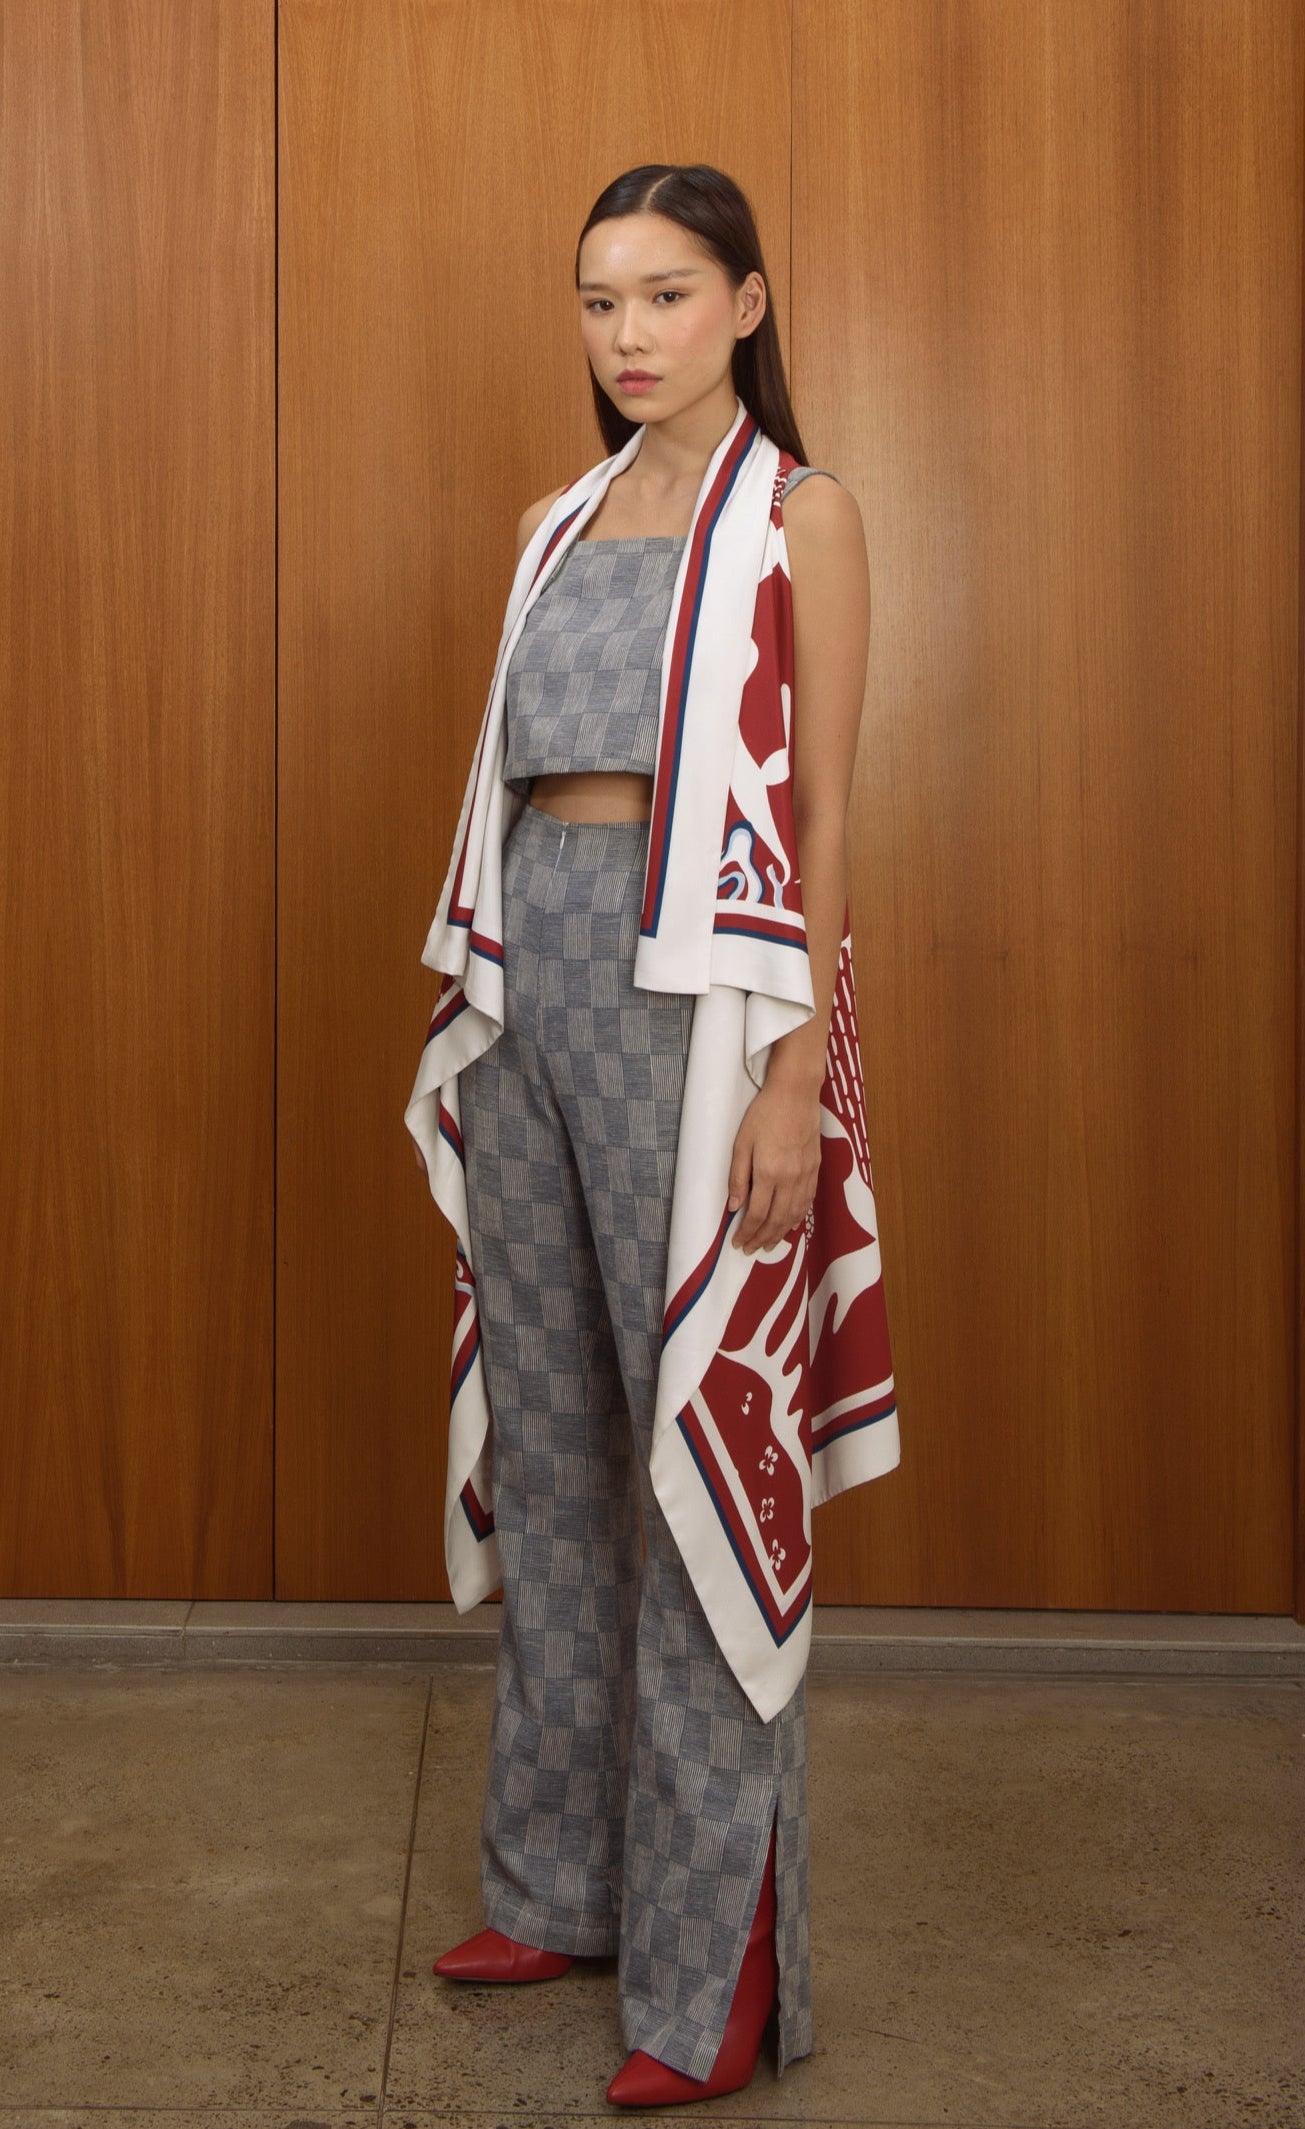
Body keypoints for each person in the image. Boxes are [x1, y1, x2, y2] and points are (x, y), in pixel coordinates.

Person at [406, 162, 899, 2109]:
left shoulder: (797, 514)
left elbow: (824, 809)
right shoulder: (557, 522)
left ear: (745, 304)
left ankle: (713, 1964)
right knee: (552, 1446)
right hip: (530, 969)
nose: (628, 332)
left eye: (668, 293)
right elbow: (510, 776)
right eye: (600, 298)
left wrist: (792, 1076)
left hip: (695, 992)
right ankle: (555, 1883)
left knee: (691, 1431)